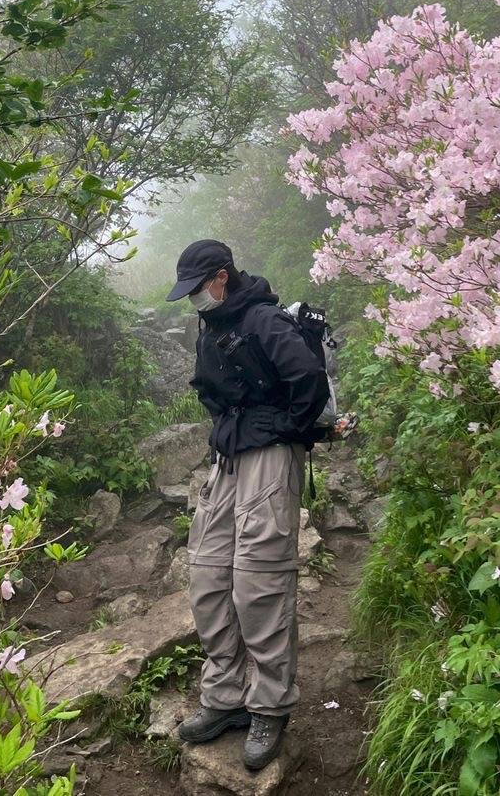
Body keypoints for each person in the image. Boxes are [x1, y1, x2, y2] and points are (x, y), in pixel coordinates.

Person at [165, 239, 330, 771]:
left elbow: (308, 379)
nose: (194, 300)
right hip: (229, 456)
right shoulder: (213, 324)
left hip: (268, 457)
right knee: (209, 576)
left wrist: (287, 428)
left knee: (259, 581)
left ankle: (270, 706)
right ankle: (226, 697)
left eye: (197, 289)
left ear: (221, 277)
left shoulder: (263, 320)